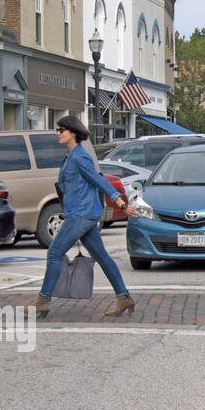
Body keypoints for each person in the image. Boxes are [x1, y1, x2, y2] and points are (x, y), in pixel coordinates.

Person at [37, 115, 140, 318]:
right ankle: (124, 297)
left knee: (54, 253)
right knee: (102, 257)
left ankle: (43, 300)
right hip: (81, 214)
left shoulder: (80, 157)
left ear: (73, 133)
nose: (58, 133)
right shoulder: (70, 157)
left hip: (81, 216)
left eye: (61, 130)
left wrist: (120, 202)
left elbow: (98, 181)